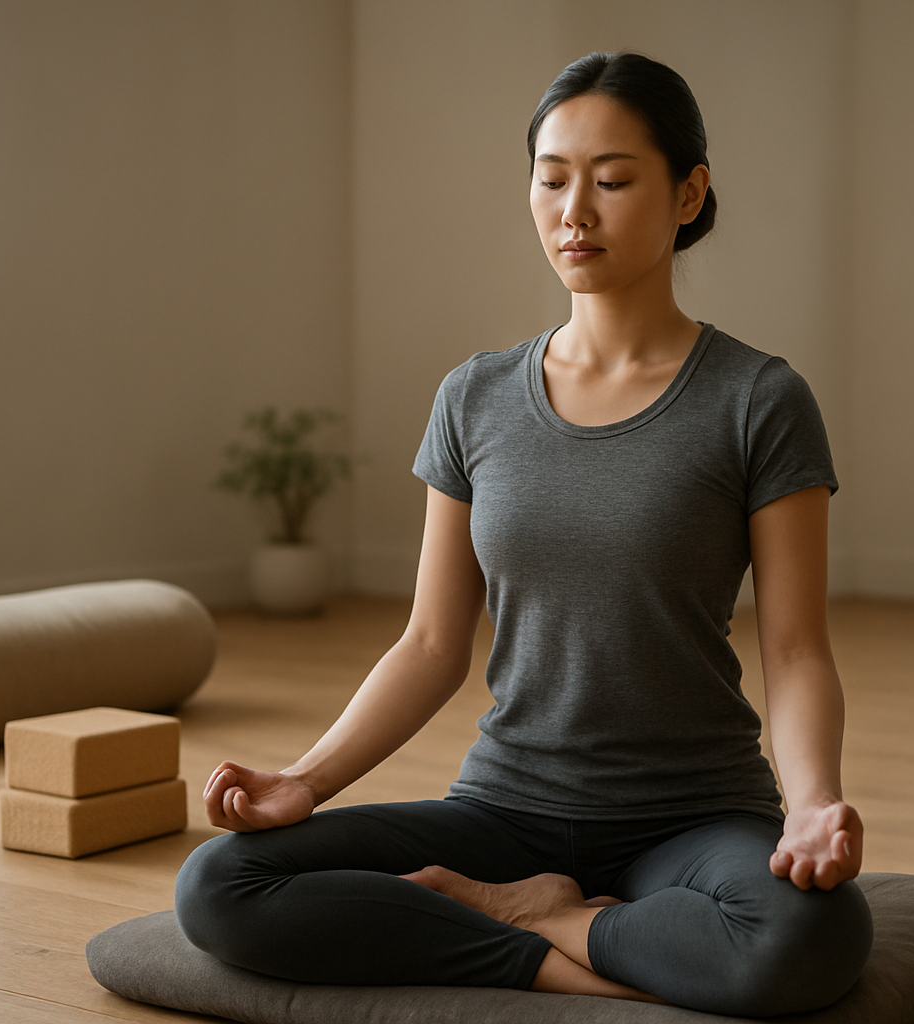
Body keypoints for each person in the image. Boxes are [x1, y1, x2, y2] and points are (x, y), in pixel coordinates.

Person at [175, 51, 872, 1017]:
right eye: (551, 179)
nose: (573, 211)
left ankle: (531, 920)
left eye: (614, 180)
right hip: (505, 808)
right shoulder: (474, 398)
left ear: (688, 193)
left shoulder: (758, 400)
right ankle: (552, 934)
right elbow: (428, 644)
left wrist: (810, 807)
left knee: (812, 935)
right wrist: (302, 780)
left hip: (693, 816)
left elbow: (795, 650)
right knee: (219, 885)